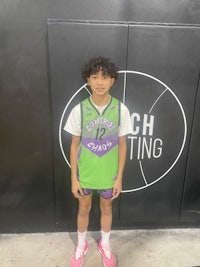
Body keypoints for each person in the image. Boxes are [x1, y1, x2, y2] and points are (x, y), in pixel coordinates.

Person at [64, 56, 132, 267]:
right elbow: (74, 145)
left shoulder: (121, 110)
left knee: (107, 208)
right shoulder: (79, 110)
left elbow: (122, 145)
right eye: (95, 77)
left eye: (105, 77)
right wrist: (74, 178)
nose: (100, 82)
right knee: (83, 208)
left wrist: (119, 178)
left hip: (108, 174)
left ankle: (105, 244)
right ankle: (81, 245)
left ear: (112, 80)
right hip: (86, 173)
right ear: (88, 80)